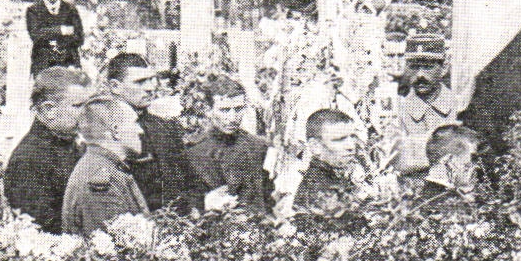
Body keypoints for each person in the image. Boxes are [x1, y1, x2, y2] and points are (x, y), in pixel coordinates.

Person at [105, 53, 199, 213]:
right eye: (140, 82)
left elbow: (191, 180)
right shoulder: (107, 134)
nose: (150, 88)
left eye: (150, 80)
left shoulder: (165, 127)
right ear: (115, 86)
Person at [3, 67, 92, 233]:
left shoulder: (71, 144)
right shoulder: (28, 159)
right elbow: (39, 230)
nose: (87, 114)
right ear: (49, 109)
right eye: (78, 106)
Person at [61, 94, 148, 238]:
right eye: (134, 123)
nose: (140, 131)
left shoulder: (106, 166)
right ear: (115, 131)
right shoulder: (99, 179)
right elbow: (117, 250)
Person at [185, 75, 272, 215]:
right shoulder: (194, 152)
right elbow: (186, 202)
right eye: (224, 110)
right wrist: (205, 203)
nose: (232, 118)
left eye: (238, 109)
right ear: (209, 110)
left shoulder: (258, 146)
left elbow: (267, 198)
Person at [393, 37, 456, 180]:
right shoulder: (396, 110)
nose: (420, 74)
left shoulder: (459, 107)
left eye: (428, 67)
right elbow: (394, 159)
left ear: (444, 68)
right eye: (414, 67)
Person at [293, 108, 358, 214]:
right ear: (315, 146)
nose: (351, 146)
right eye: (339, 139)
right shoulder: (322, 192)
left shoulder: (330, 178)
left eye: (353, 137)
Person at [26, 0, 84, 73]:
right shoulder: (33, 11)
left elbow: (79, 38)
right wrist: (62, 30)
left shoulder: (70, 10)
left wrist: (57, 41)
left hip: (68, 64)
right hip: (43, 66)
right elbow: (36, 35)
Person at [417, 124, 482, 208]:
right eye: (468, 164)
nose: (474, 167)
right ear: (447, 160)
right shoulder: (443, 201)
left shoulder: (423, 195)